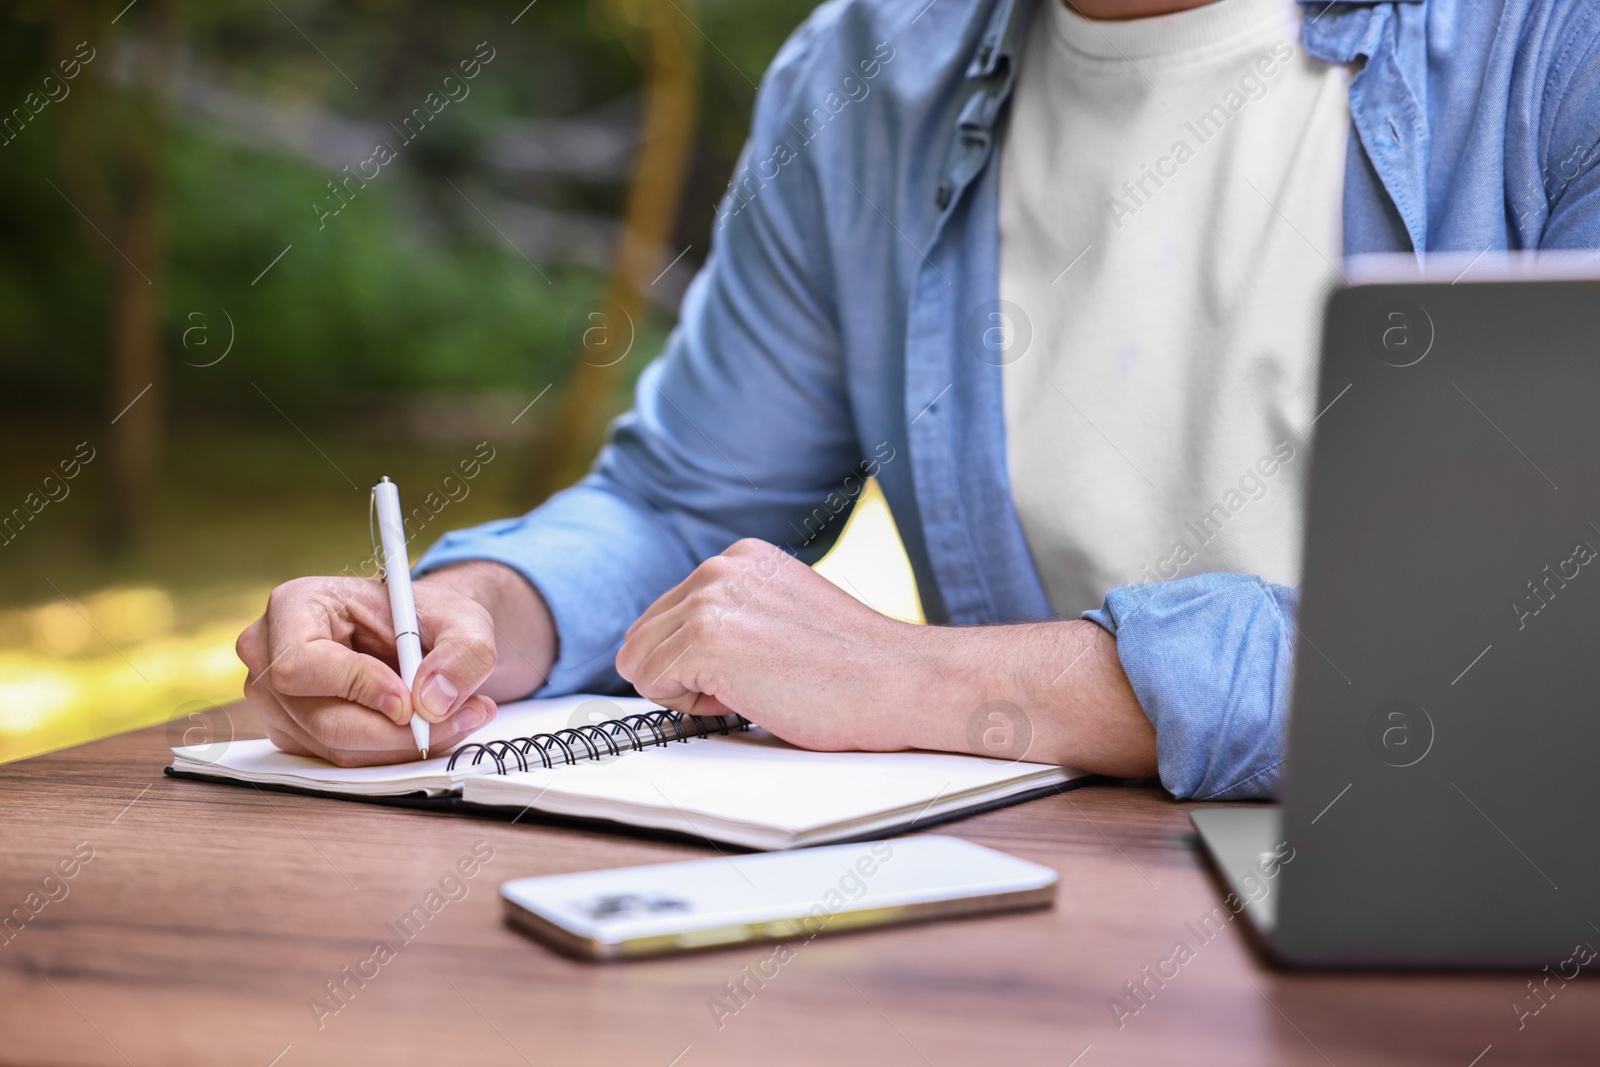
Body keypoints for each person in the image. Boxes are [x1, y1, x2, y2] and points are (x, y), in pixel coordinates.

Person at [236, 0, 1600, 795]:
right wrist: (480, 615)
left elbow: (1548, 644)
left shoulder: (1554, 53)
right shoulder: (865, 72)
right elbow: (685, 503)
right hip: (1035, 938)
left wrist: (929, 678)